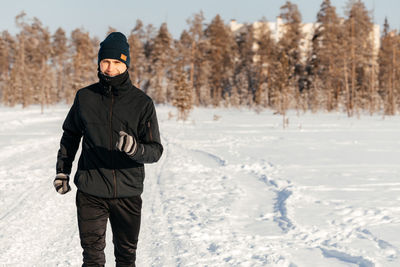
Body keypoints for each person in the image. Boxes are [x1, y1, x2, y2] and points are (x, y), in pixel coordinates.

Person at [54, 32, 163, 266]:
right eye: (106, 61)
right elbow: (70, 136)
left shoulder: (142, 103)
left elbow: (155, 150)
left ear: (126, 64)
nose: (110, 68)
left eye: (116, 62)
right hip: (90, 191)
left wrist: (136, 149)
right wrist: (62, 170)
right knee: (92, 258)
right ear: (99, 62)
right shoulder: (85, 97)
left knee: (125, 257)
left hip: (128, 193)